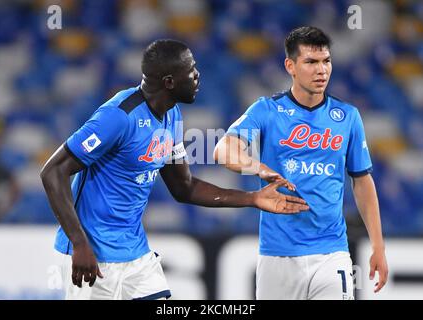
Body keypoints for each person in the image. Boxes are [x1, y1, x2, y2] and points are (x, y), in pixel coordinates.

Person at [40, 39, 309, 300]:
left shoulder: (171, 115)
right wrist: (78, 243)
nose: (198, 75)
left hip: (135, 254)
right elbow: (53, 172)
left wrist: (252, 199)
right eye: (191, 70)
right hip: (93, 255)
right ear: (169, 82)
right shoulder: (118, 117)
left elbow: (184, 187)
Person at [214, 26, 388, 300]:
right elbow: (223, 150)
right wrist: (260, 168)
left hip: (332, 252)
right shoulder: (267, 111)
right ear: (290, 66)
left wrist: (378, 246)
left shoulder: (348, 117)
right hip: (277, 255)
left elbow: (362, 181)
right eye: (311, 62)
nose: (322, 70)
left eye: (326, 61)